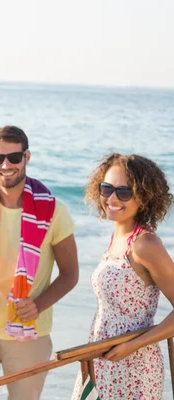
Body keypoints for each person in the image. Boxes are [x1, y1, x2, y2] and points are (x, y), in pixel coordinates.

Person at [0, 125, 79, 400]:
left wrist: (38, 305)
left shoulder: (54, 211)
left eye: (14, 157)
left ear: (27, 157)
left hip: (29, 335)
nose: (5, 165)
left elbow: (70, 274)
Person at [71, 153, 174, 400]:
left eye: (124, 192)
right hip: (101, 359)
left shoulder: (145, 245)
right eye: (107, 189)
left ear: (144, 198)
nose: (112, 198)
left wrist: (131, 346)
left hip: (134, 367)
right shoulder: (117, 239)